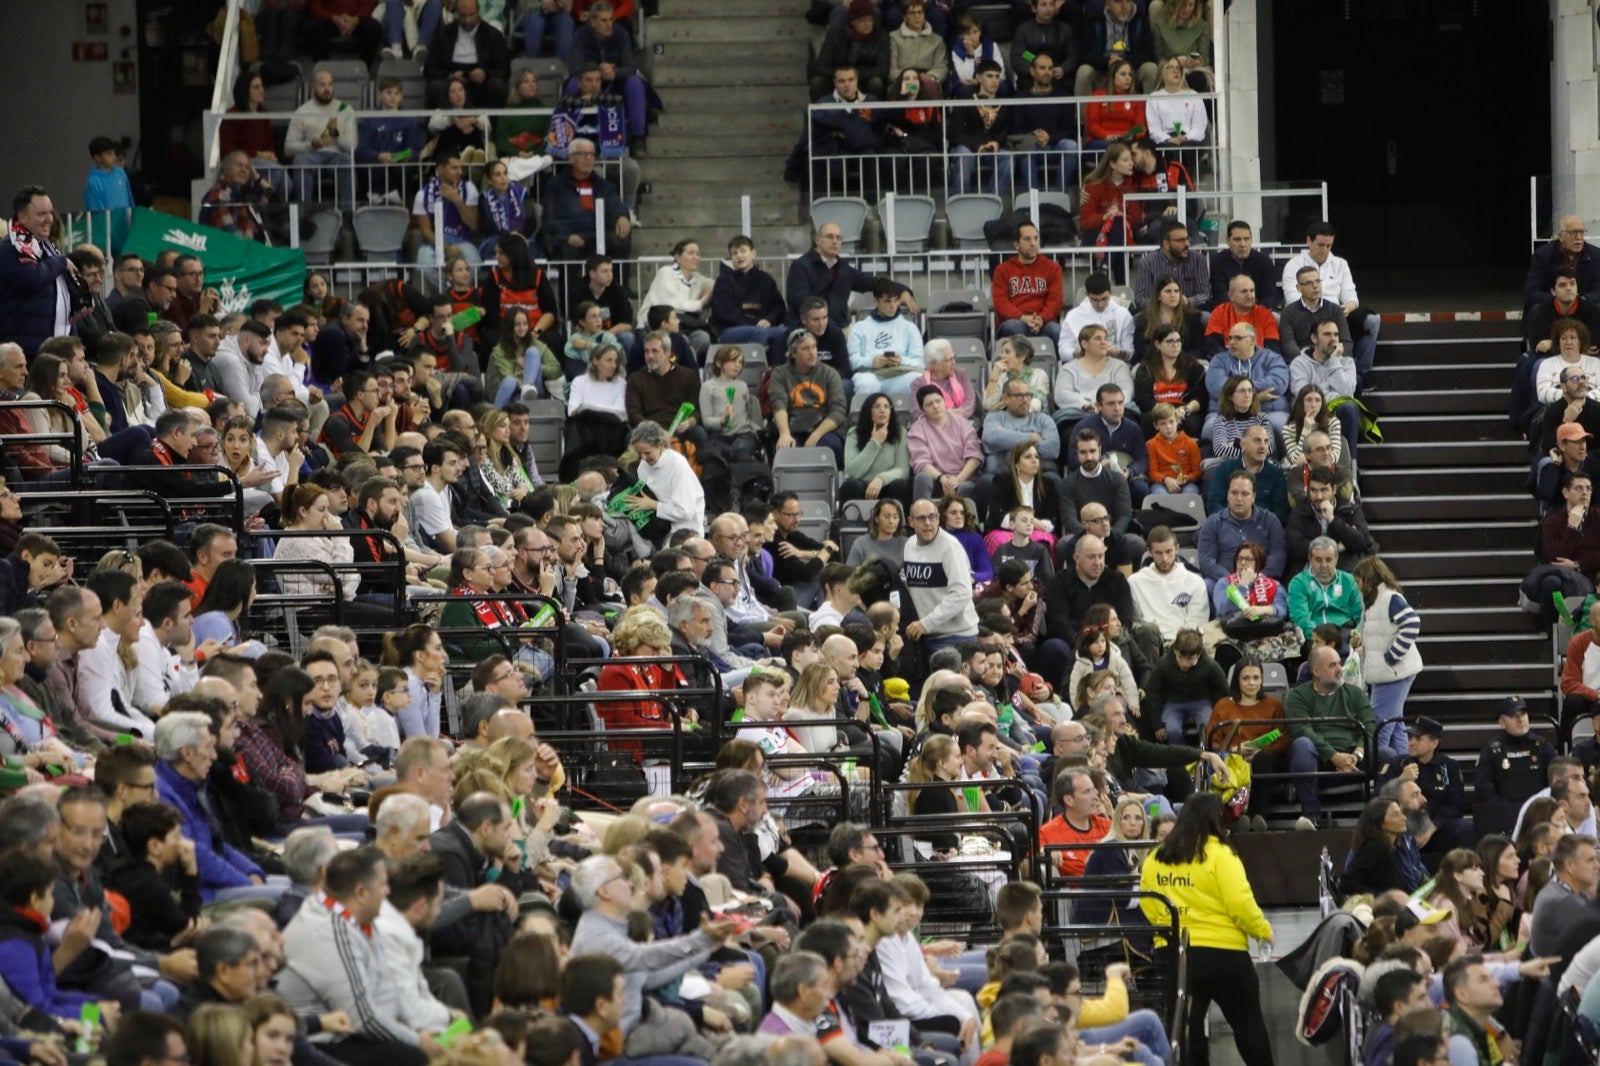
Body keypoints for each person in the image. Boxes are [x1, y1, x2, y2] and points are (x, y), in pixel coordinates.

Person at [1139, 793, 1273, 1066]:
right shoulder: (1221, 854)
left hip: (1175, 953)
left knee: (1188, 1028)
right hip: (1223, 954)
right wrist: (1262, 930)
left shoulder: (1156, 856)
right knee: (1248, 1023)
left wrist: (1167, 927)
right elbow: (1240, 902)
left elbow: (1148, 902)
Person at [1287, 644, 1384, 828]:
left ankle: (1380, 817)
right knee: (1302, 744)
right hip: (1318, 761)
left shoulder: (1355, 693)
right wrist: (1333, 756)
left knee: (1389, 755)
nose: (1340, 669)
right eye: (1332, 665)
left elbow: (1370, 728)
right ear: (1315, 670)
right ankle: (1311, 816)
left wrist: (1357, 754)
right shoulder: (1297, 696)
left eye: (1339, 664)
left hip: (1353, 760)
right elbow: (1301, 729)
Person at [541, 139, 633, 259]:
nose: (588, 158)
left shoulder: (604, 185)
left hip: (598, 236)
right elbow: (549, 218)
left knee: (621, 238)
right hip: (570, 237)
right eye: (583, 154)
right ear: (571, 158)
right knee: (568, 250)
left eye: (591, 155)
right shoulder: (556, 185)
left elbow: (616, 205)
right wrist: (566, 236)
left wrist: (622, 216)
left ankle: (617, 278)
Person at [908, 386, 985, 508]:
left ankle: (967, 524)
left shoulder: (961, 423)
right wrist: (942, 479)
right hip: (936, 479)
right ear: (922, 409)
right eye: (929, 404)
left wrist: (957, 480)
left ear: (944, 402)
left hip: (963, 477)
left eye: (938, 401)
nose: (935, 406)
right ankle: (923, 515)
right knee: (922, 478)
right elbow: (921, 462)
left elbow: (975, 456)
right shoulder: (917, 429)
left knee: (966, 487)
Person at [993, 222, 1064, 345]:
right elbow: (1000, 302)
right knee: (1016, 328)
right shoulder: (1002, 270)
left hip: (1043, 323)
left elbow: (1056, 300)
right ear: (1017, 245)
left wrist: (1041, 319)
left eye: (1036, 238)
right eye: (1027, 239)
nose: (1033, 243)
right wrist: (1022, 317)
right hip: (1015, 321)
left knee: (1057, 331)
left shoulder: (1053, 268)